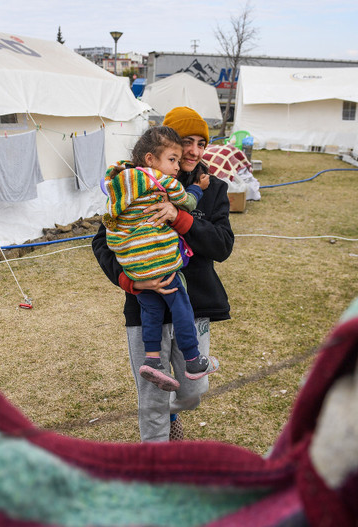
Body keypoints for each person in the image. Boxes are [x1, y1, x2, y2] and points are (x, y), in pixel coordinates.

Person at [93, 107, 234, 442]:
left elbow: (222, 245)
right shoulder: (132, 183)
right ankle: (156, 462)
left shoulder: (211, 188)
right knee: (151, 400)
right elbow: (102, 241)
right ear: (165, 144)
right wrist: (130, 281)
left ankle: (172, 411)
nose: (194, 151)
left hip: (193, 304)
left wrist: (180, 217)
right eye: (187, 142)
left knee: (193, 389)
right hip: (144, 305)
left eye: (202, 143)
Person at [102, 126, 219, 392]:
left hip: (136, 268)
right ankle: (193, 360)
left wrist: (131, 273)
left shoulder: (117, 184)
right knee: (182, 308)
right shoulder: (161, 181)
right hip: (162, 262)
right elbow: (188, 202)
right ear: (151, 159)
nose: (177, 165)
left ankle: (152, 361)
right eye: (172, 159)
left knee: (151, 312)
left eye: (201, 143)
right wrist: (198, 189)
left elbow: (110, 225)